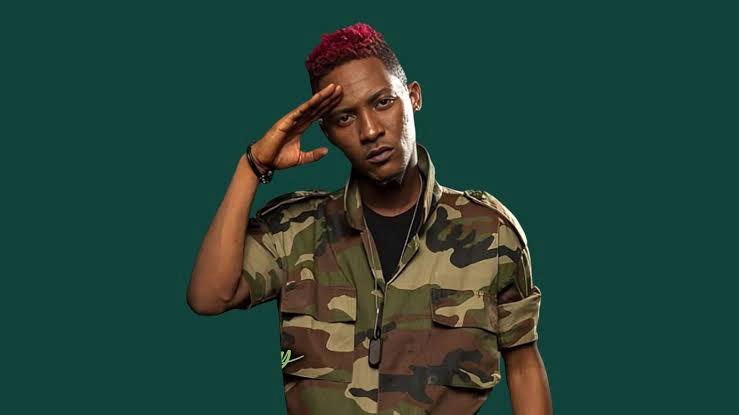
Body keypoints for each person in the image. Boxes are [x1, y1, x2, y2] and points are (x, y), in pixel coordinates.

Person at [187, 22, 552, 415]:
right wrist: (253, 166)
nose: (371, 130)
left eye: (383, 102)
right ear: (327, 132)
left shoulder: (490, 232)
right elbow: (209, 297)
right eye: (345, 118)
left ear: (413, 97)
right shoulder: (294, 231)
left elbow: (523, 365)